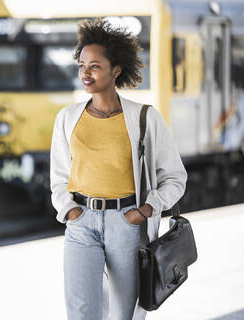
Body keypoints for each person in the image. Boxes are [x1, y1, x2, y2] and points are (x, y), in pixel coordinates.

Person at [49, 19, 187, 320]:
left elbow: (175, 177)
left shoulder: (145, 119)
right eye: (82, 64)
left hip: (126, 224)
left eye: (95, 65)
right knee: (81, 312)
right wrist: (70, 210)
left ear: (116, 70)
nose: (85, 72)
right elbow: (58, 178)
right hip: (81, 223)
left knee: (124, 314)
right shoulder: (67, 118)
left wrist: (148, 208)